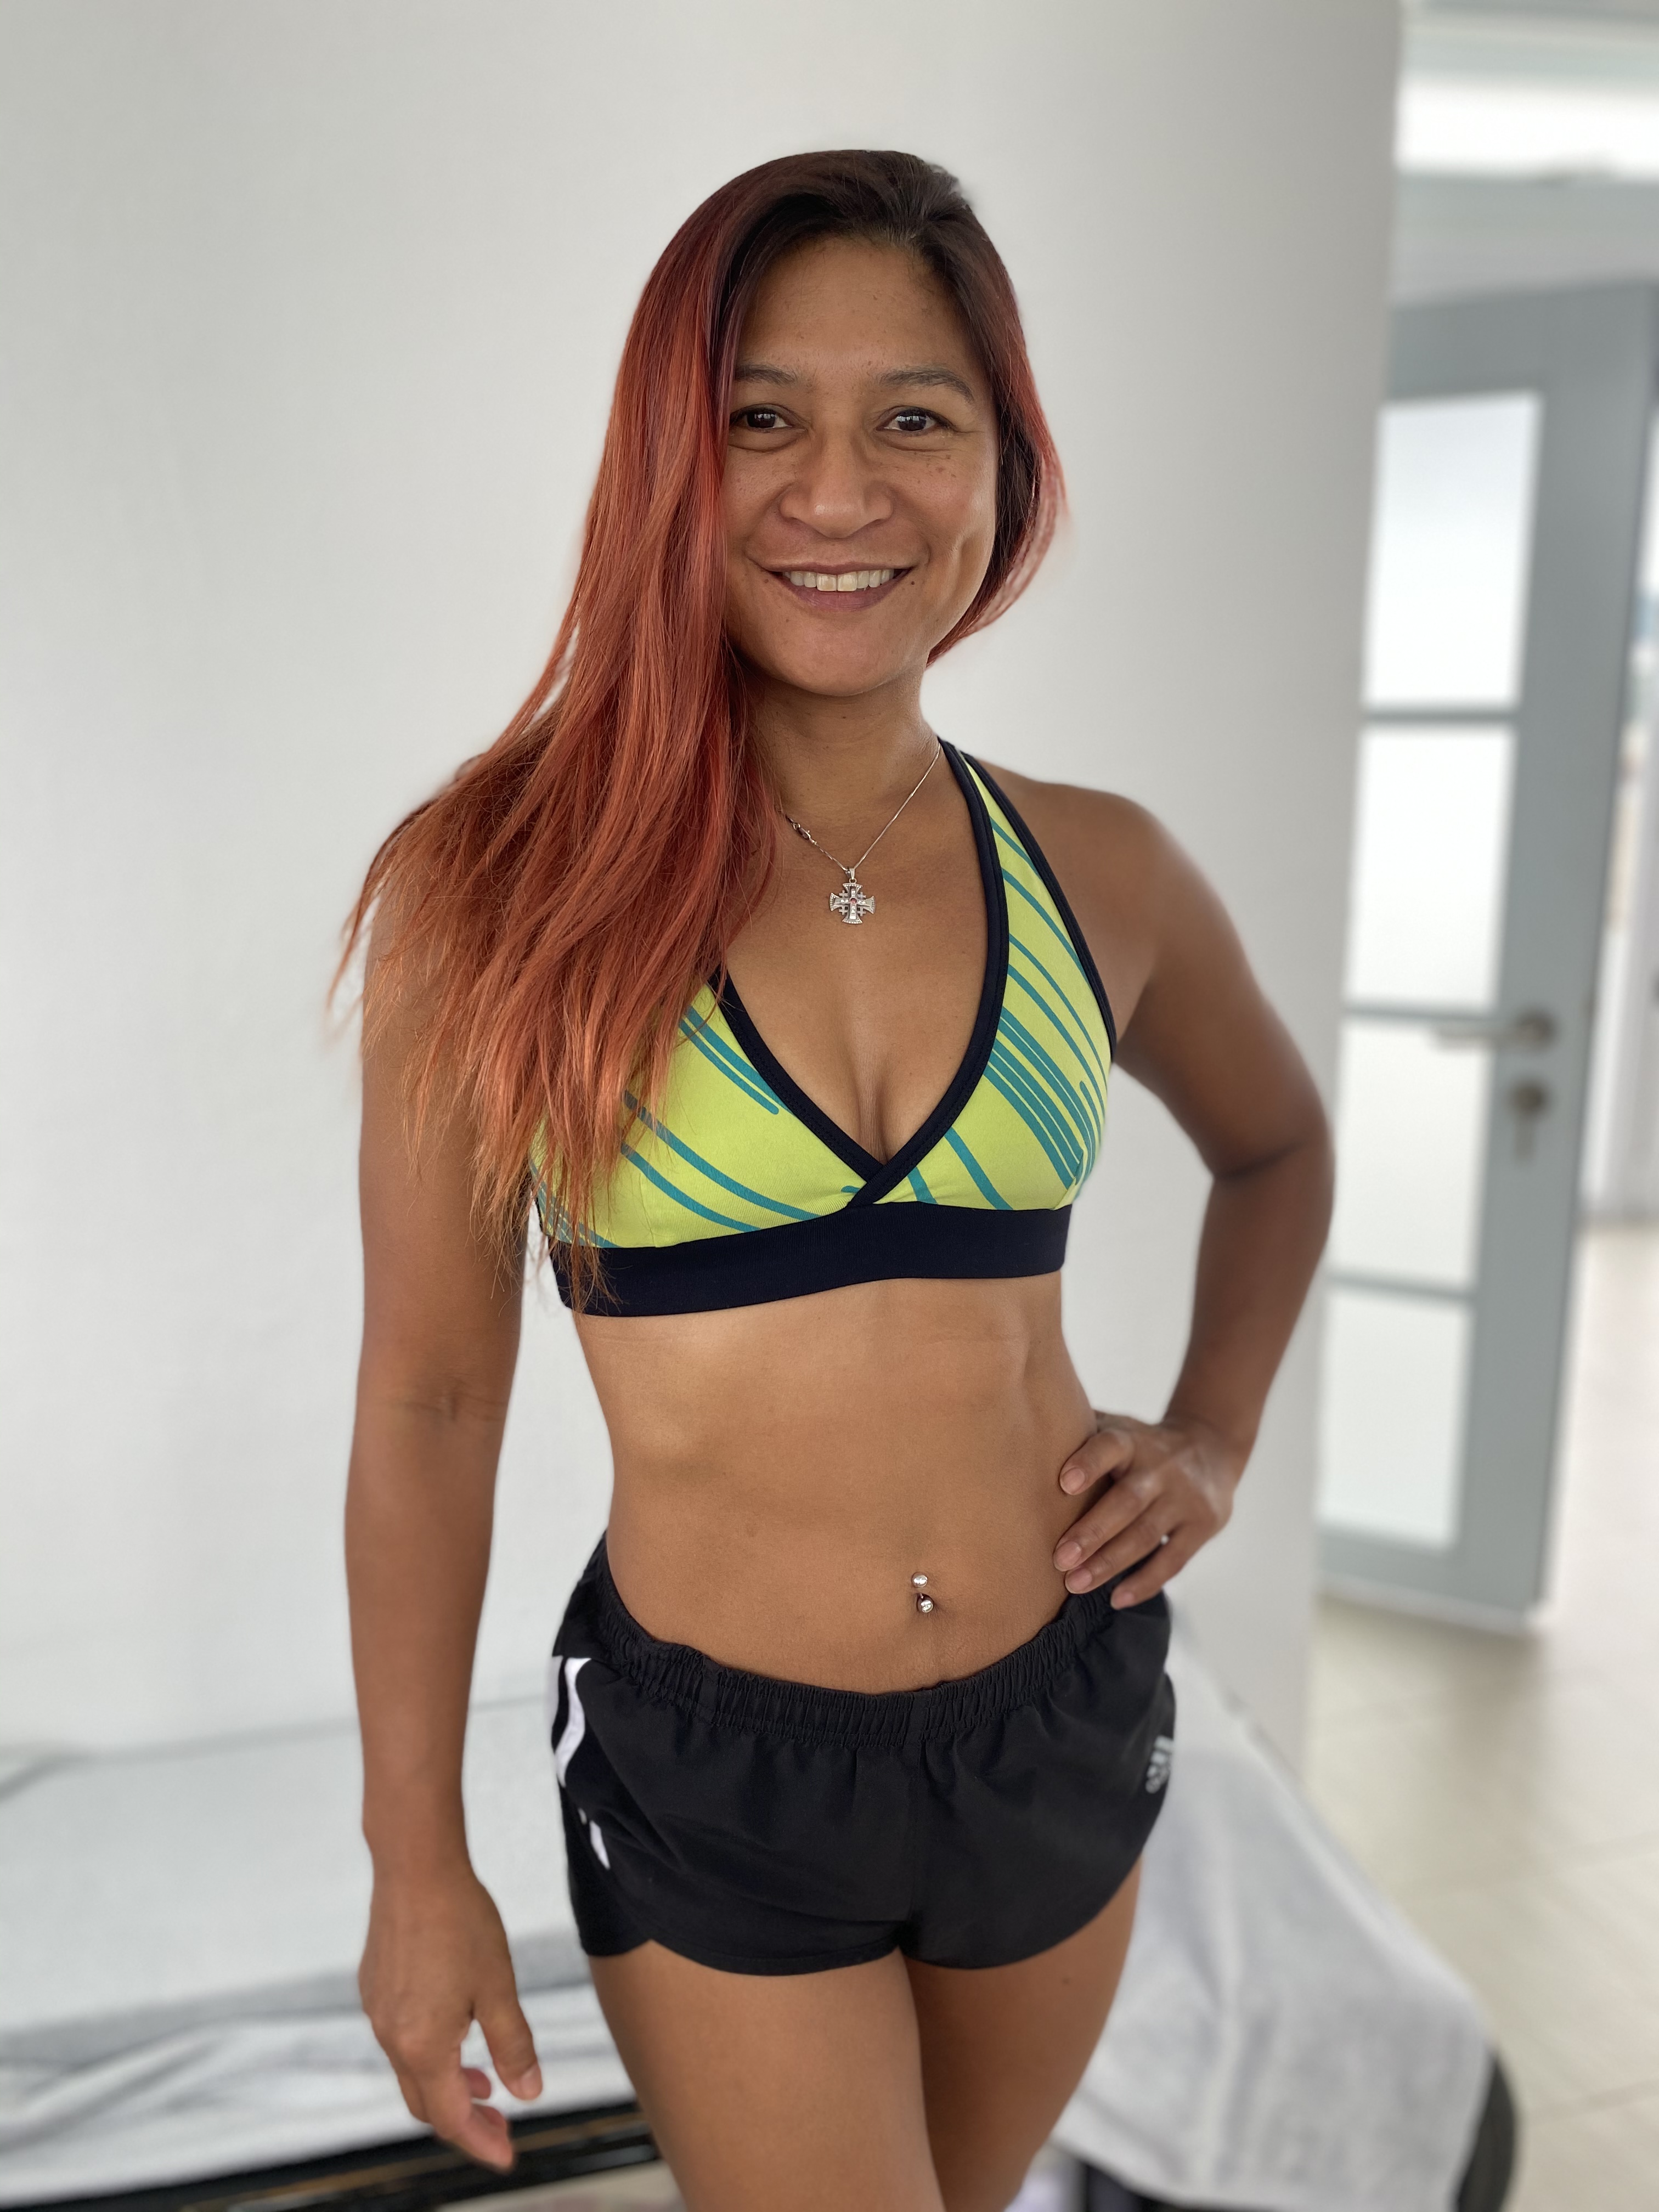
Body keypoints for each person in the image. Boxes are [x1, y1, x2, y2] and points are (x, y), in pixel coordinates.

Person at [342, 150, 1333, 2212]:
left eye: (917, 420)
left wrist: (1217, 1436)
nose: (840, 492)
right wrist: (413, 1864)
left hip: (1061, 1715)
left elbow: (1278, 1147)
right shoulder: (494, 892)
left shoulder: (1104, 870)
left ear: (1005, 470)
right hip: (724, 1775)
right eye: (763, 418)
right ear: (667, 465)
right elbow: (430, 1405)